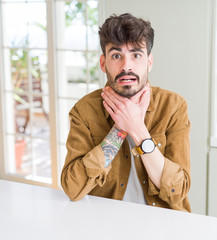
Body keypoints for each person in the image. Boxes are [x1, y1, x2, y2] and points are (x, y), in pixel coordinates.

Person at [61, 13, 191, 212]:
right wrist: (118, 131)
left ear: (149, 61)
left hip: (163, 224)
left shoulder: (173, 107)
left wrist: (137, 129)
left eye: (136, 55)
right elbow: (73, 188)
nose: (126, 66)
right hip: (106, 223)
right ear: (103, 63)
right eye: (116, 55)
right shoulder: (83, 111)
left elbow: (178, 189)